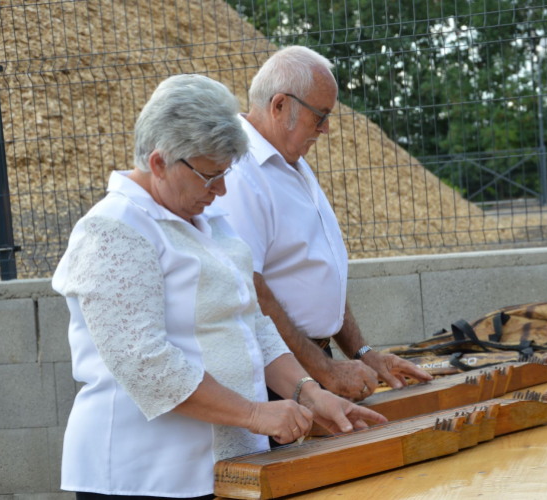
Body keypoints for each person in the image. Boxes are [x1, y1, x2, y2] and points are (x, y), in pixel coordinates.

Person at [51, 74, 384, 500]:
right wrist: (254, 413)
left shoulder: (207, 221)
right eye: (211, 176)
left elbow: (251, 323)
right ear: (159, 163)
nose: (222, 190)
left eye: (226, 173)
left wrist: (310, 393)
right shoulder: (113, 229)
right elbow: (147, 365)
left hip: (223, 467)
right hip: (146, 477)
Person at [213, 46, 432, 402]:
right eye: (320, 115)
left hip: (311, 365)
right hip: (279, 378)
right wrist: (325, 371)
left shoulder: (288, 157)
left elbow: (319, 270)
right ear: (280, 105)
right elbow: (249, 290)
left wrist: (363, 354)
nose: (327, 128)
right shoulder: (241, 173)